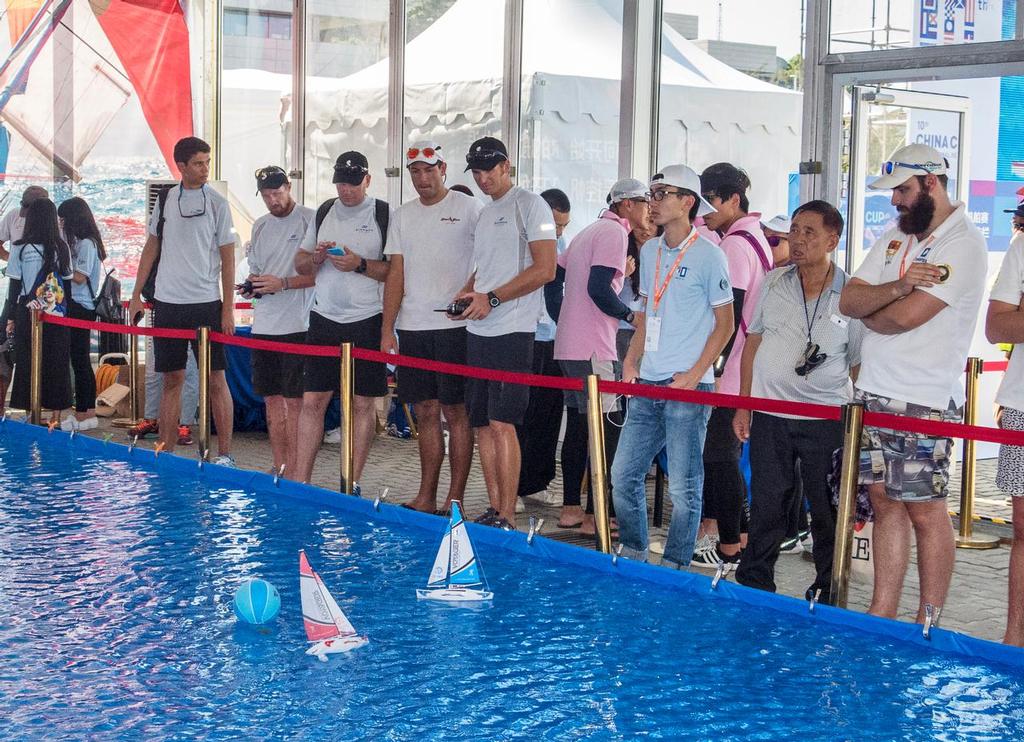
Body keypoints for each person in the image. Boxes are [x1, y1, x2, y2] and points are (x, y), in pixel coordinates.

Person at [839, 143, 987, 623]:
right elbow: (848, 301)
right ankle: (882, 609)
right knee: (884, 503)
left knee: (925, 508)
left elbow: (901, 320)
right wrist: (901, 285)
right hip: (873, 392)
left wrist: (881, 305)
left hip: (921, 398)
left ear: (932, 183)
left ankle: (929, 617)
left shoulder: (961, 243)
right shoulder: (895, 237)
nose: (896, 201)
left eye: (903, 190)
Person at [733, 201, 862, 604]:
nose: (797, 239)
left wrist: (852, 418)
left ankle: (828, 586)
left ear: (832, 240)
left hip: (824, 417)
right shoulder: (774, 282)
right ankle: (755, 580)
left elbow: (856, 363)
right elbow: (753, 342)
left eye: (809, 232)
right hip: (771, 412)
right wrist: (745, 402)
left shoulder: (851, 294)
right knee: (769, 500)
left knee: (825, 507)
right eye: (794, 230)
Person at [611, 165, 734, 567]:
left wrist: (696, 374)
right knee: (623, 477)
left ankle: (678, 562)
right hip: (649, 380)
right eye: (652, 193)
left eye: (663, 193)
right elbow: (647, 310)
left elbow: (726, 323)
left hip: (688, 385)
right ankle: (634, 550)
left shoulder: (709, 254)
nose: (654, 201)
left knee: (684, 486)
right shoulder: (648, 250)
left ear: (687, 202)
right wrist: (631, 359)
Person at [453, 136, 556, 529]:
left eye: (488, 169)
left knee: (502, 423)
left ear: (506, 166)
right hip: (479, 328)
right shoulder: (483, 214)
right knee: (480, 422)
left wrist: (492, 299)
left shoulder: (532, 205)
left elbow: (545, 269)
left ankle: (509, 513)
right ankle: (496, 508)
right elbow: (486, 267)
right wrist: (467, 291)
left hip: (513, 330)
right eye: (476, 171)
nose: (482, 178)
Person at [381, 141, 481, 514]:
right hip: (414, 325)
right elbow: (397, 274)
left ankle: (454, 498)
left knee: (456, 412)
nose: (422, 178)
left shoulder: (469, 207)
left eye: (429, 170)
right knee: (424, 411)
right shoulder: (403, 215)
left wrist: (470, 289)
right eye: (415, 172)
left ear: (443, 168)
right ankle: (426, 495)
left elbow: (490, 256)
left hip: (455, 326)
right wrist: (386, 327)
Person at [127, 136, 237, 464]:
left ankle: (226, 455)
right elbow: (151, 247)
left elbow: (228, 257)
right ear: (182, 166)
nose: (205, 169)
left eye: (207, 162)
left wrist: (227, 307)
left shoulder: (218, 203)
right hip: (168, 303)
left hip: (206, 302)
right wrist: (136, 294)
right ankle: (166, 451)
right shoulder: (165, 199)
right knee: (171, 378)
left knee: (216, 377)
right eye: (199, 163)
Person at [294, 151, 392, 491]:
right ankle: (301, 480)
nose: (346, 190)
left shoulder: (383, 213)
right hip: (324, 318)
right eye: (340, 183)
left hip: (367, 319)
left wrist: (360, 264)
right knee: (313, 401)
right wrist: (317, 257)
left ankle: (352, 481)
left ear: (367, 180)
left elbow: (394, 272)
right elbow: (301, 264)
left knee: (363, 402)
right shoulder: (324, 211)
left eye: (352, 183)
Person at [545, 182, 638, 534]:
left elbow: (555, 281)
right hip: (596, 346)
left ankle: (572, 508)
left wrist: (564, 317)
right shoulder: (615, 233)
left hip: (570, 343)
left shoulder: (588, 230)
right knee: (606, 430)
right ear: (628, 204)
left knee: (579, 427)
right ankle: (599, 514)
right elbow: (598, 289)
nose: (649, 210)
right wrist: (631, 316)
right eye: (646, 202)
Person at [693, 162, 773, 571]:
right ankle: (735, 537)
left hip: (732, 367)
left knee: (718, 457)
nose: (702, 210)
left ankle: (728, 547)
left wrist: (713, 364)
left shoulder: (735, 246)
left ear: (733, 200)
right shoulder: (751, 236)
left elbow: (730, 312)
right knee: (723, 456)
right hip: (743, 364)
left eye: (709, 201)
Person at [239, 166, 315, 477]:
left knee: (295, 403)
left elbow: (320, 275)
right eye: (267, 196)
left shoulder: (310, 219)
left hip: (298, 324)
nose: (273, 201)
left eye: (277, 193)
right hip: (265, 325)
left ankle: (297, 469)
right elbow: (257, 269)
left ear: (288, 187)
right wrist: (253, 284)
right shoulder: (259, 226)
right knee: (271, 400)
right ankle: (279, 464)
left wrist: (283, 283)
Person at [515, 188, 570, 507]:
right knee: (521, 414)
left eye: (564, 225)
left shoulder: (561, 245)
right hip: (525, 336)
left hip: (555, 340)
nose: (560, 231)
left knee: (549, 415)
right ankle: (516, 483)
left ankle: (537, 481)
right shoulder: (522, 242)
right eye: (555, 223)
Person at [985, 214, 1024, 646]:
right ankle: (1015, 638)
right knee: (1023, 531)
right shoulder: (1023, 246)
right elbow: (997, 327)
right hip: (1022, 403)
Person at [4, 198, 73, 417]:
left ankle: (30, 411)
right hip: (56, 311)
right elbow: (67, 283)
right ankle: (55, 417)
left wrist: (9, 317)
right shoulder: (61, 248)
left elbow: (14, 286)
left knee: (27, 361)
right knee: (57, 361)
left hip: (29, 310)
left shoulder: (21, 248)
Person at [57, 197, 105, 431]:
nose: (61, 224)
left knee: (81, 359)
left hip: (81, 306)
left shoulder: (87, 244)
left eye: (63, 219)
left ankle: (87, 411)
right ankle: (83, 410)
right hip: (76, 305)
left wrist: (60, 268)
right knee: (78, 358)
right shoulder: (80, 243)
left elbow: (79, 276)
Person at [607, 178, 656, 376]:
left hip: (649, 328)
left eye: (653, 222)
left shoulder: (660, 254)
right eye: (647, 218)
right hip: (622, 327)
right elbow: (602, 290)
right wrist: (622, 274)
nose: (647, 227)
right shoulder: (619, 245)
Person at [0, 185, 48, 261]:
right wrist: (9, 258)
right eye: (24, 207)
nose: (25, 214)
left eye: (30, 210)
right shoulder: (14, 214)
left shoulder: (55, 221)